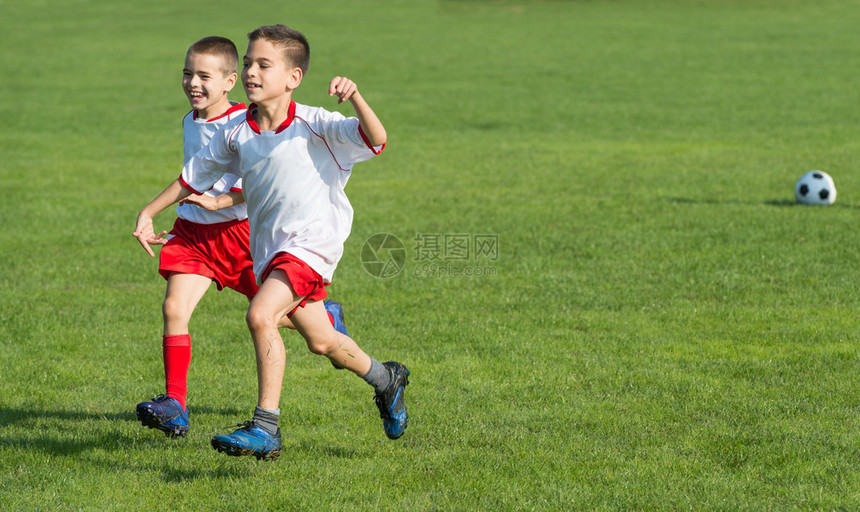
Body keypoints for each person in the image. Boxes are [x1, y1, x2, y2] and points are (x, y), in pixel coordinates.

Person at [133, 24, 409, 461]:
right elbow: (191, 178)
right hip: (269, 252)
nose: (251, 72)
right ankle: (385, 379)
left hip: (312, 247)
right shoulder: (237, 133)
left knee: (260, 314)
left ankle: (265, 428)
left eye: (264, 65)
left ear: (293, 78)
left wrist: (356, 95)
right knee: (323, 342)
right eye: (247, 64)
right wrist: (149, 211)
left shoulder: (315, 122)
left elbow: (377, 139)